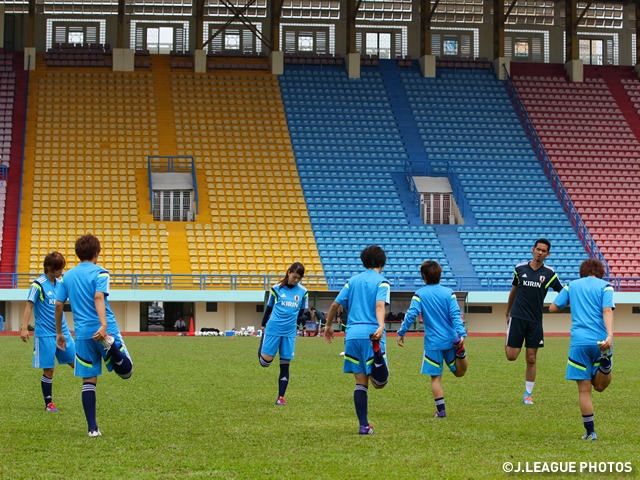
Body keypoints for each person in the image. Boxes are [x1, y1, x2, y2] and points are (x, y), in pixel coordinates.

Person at [55, 234, 134, 437]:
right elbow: (99, 296)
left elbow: (58, 305)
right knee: (127, 372)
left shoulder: (67, 277)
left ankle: (92, 429)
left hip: (82, 335)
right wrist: (104, 325)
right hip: (104, 330)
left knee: (88, 381)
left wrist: (59, 333)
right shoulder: (101, 273)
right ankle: (111, 346)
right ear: (97, 253)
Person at [324, 246, 390, 435]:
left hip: (352, 335)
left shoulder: (352, 281)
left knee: (361, 383)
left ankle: (364, 426)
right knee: (380, 383)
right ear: (381, 263)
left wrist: (328, 326)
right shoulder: (383, 282)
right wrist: (381, 326)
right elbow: (379, 305)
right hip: (371, 333)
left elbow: (335, 305)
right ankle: (377, 352)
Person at [549, 259, 614, 441]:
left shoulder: (572, 286)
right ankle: (605, 363)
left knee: (584, 391)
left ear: (583, 271)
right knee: (600, 386)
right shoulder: (606, 286)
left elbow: (553, 308)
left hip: (579, 342)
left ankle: (590, 432)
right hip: (601, 340)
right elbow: (607, 310)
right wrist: (609, 335)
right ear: (600, 272)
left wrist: (575, 303)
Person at [397, 260, 468, 418]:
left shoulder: (420, 294)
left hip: (433, 343)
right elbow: (455, 314)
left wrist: (402, 332)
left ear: (423, 276)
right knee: (459, 372)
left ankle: (441, 411)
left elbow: (411, 314)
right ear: (440, 275)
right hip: (451, 339)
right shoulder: (449, 293)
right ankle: (461, 351)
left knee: (436, 378)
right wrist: (461, 334)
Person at [505, 238, 563, 405]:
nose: (540, 253)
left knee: (531, 358)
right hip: (517, 317)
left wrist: (557, 306)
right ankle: (509, 334)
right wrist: (508, 311)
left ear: (548, 254)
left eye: (544, 251)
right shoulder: (520, 269)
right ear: (533, 249)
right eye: (538, 249)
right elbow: (514, 290)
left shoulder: (550, 274)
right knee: (511, 356)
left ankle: (528, 394)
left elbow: (563, 292)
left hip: (535, 321)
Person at [20, 252, 76, 412]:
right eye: (59, 268)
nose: (61, 271)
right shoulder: (37, 285)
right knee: (49, 369)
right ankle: (49, 403)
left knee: (77, 363)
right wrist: (24, 328)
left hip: (62, 333)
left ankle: (89, 391)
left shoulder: (61, 284)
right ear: (49, 267)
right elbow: (28, 306)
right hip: (45, 334)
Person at [258, 262, 308, 405]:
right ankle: (263, 339)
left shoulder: (303, 292)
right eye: (295, 276)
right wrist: (263, 324)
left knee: (285, 365)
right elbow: (269, 308)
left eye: (299, 278)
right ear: (289, 272)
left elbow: (300, 313)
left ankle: (281, 397)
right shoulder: (276, 289)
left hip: (289, 333)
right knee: (264, 363)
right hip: (273, 329)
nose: (296, 280)